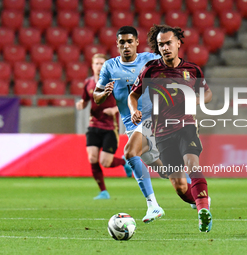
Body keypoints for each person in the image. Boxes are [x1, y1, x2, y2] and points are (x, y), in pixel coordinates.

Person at [128, 24, 213, 232]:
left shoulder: (192, 70)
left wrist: (199, 100)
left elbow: (208, 92)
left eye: (168, 43)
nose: (165, 47)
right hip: (162, 133)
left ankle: (204, 212)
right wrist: (133, 110)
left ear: (177, 43)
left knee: (192, 163)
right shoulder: (151, 70)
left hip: (186, 126)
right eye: (160, 45)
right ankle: (201, 199)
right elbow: (133, 95)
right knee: (180, 186)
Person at [93, 26, 165, 223]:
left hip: (153, 118)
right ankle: (195, 190)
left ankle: (153, 205)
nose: (126, 45)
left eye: (129, 41)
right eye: (122, 42)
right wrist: (103, 93)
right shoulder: (109, 66)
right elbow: (96, 96)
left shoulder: (148, 60)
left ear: (136, 43)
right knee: (162, 168)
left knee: (130, 153)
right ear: (117, 44)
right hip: (131, 124)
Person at [76, 53, 133, 200]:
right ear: (92, 66)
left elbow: (128, 101)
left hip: (110, 128)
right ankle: (103, 192)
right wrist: (81, 105)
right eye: (97, 63)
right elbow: (84, 100)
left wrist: (114, 110)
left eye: (102, 64)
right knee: (92, 158)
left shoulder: (115, 82)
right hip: (93, 125)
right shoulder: (88, 83)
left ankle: (123, 162)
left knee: (105, 162)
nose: (99, 66)